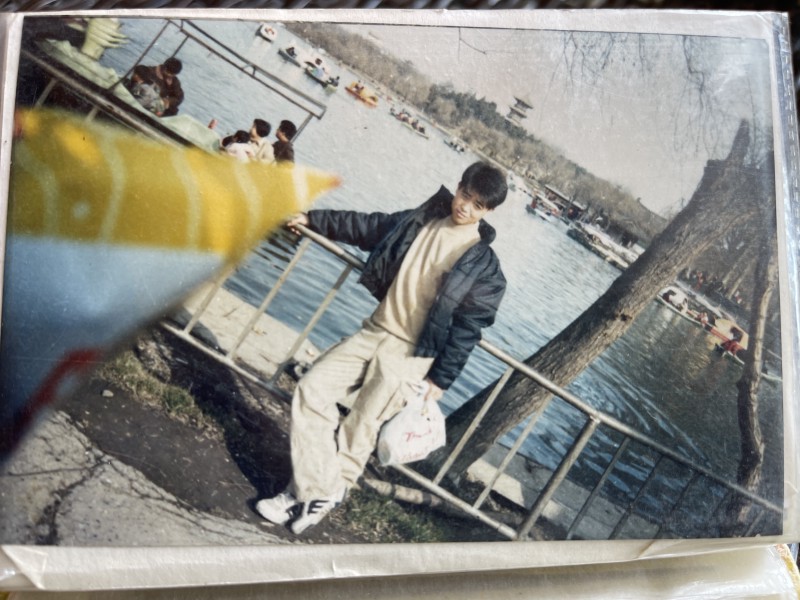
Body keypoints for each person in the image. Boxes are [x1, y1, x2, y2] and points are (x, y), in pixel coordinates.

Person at [255, 161, 508, 535]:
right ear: (458, 187)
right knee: (311, 389)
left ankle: (299, 496)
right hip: (374, 331)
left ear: (489, 211)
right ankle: (322, 490)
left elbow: (468, 329)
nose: (465, 207)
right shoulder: (422, 220)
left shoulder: (485, 268)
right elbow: (368, 227)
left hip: (411, 355)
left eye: (477, 205)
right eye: (465, 196)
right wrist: (312, 219)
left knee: (361, 427)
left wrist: (440, 379)